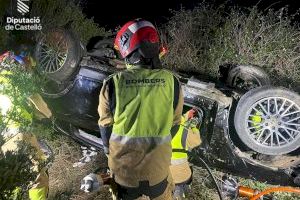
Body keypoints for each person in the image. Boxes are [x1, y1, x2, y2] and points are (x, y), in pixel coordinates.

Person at [80, 18, 184, 199]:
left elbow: (105, 126)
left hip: (124, 176)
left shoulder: (112, 84)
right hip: (157, 174)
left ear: (127, 47)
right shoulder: (172, 82)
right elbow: (175, 124)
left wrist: (110, 152)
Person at [0, 50, 52, 200]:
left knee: (13, 179)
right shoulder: (17, 79)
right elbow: (38, 103)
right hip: (20, 134)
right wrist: (49, 116)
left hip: (4, 140)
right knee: (38, 176)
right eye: (27, 66)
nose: (28, 71)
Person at [170, 108, 202, 199]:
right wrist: (193, 127)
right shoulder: (184, 131)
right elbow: (196, 141)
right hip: (179, 176)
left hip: (160, 174)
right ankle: (179, 191)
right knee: (186, 173)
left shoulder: (161, 125)